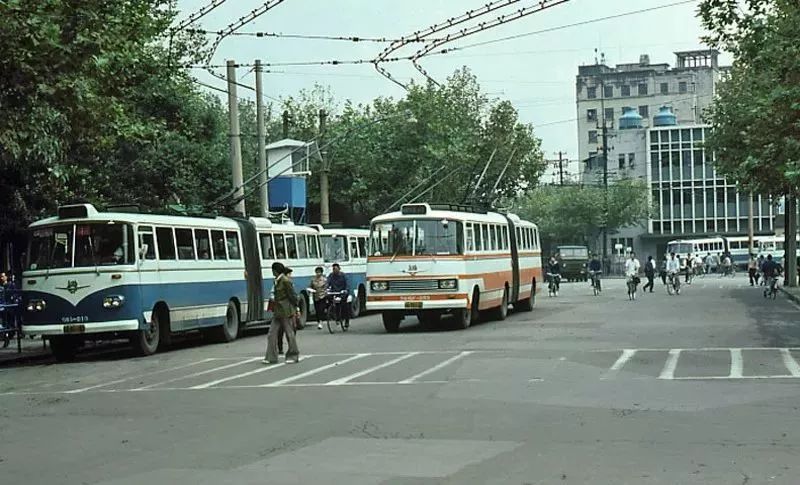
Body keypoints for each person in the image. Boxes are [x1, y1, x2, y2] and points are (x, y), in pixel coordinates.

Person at [263, 262, 300, 364]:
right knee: (271, 334)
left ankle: (293, 355)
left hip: (286, 311)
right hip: (278, 311)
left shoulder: (285, 281)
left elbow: (292, 295)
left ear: (275, 270)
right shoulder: (277, 280)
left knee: (289, 333)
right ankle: (271, 357)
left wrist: (295, 308)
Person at [327, 263, 350, 327]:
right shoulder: (331, 276)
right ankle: (335, 316)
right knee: (334, 303)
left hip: (342, 292)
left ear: (339, 269)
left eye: (336, 269)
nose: (335, 270)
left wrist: (346, 290)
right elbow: (327, 283)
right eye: (333, 269)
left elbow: (347, 284)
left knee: (344, 306)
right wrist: (327, 289)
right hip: (335, 292)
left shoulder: (343, 276)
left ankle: (346, 320)